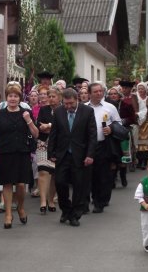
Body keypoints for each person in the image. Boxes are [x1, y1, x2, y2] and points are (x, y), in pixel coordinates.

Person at [0, 83, 39, 229]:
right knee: (7, 184)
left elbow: (36, 134)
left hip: (22, 152)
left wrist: (28, 120)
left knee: (21, 184)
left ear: (19, 98)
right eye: (10, 96)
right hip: (4, 152)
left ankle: (21, 207)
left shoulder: (26, 112)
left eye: (15, 96)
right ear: (7, 97)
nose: (12, 98)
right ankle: (8, 214)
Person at [48, 88, 97, 227]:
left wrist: (90, 155)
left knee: (79, 186)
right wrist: (51, 153)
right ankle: (66, 209)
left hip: (80, 155)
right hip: (62, 155)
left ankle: (75, 214)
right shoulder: (58, 112)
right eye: (66, 104)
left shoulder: (87, 112)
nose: (68, 106)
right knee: (60, 182)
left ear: (77, 100)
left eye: (71, 103)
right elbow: (54, 134)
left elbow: (92, 135)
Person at [86, 83, 121, 212]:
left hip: (103, 144)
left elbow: (118, 123)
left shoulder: (110, 107)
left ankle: (99, 202)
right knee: (90, 174)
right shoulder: (84, 107)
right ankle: (91, 198)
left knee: (103, 174)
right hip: (88, 146)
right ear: (89, 93)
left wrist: (111, 128)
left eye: (100, 91)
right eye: (95, 91)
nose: (99, 93)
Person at [36, 88, 62, 214]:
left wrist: (50, 126)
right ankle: (42, 202)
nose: (50, 98)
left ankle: (51, 200)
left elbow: (62, 127)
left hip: (58, 145)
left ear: (60, 97)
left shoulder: (63, 110)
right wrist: (46, 127)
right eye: (49, 96)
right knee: (43, 172)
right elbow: (40, 126)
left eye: (53, 96)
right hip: (43, 144)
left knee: (54, 174)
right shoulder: (44, 109)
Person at [107, 87, 135, 187]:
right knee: (113, 157)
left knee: (123, 157)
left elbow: (133, 118)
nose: (113, 96)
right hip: (111, 135)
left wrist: (124, 121)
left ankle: (123, 176)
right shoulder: (107, 106)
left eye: (115, 94)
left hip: (123, 133)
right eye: (111, 94)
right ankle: (113, 180)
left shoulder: (126, 105)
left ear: (119, 95)